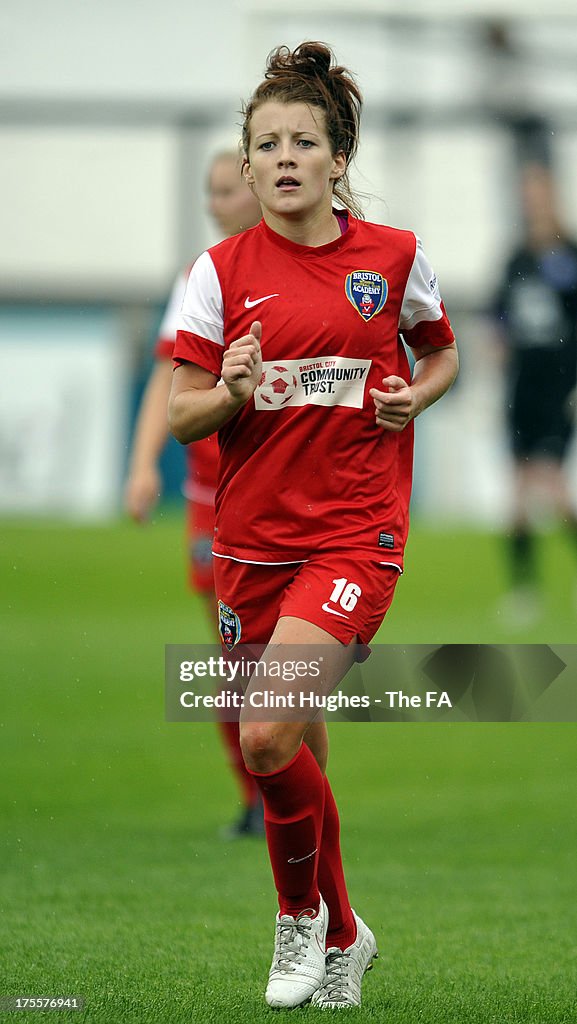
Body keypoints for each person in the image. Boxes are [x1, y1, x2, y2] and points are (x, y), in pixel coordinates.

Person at [169, 41, 458, 1009]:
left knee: (260, 738)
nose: (284, 156)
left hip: (353, 536)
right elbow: (179, 413)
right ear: (246, 167)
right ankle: (344, 931)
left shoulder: (393, 257)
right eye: (265, 143)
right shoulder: (217, 274)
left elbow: (441, 352)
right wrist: (231, 390)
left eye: (303, 141)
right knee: (293, 745)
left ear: (339, 160)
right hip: (251, 546)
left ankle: (297, 923)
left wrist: (415, 397)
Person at [125, 151, 264, 836]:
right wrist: (143, 463)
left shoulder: (298, 267)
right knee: (236, 654)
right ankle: (256, 797)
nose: (216, 203)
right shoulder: (199, 277)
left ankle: (286, 789)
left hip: (283, 491)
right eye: (209, 192)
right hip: (215, 497)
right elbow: (165, 376)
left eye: (225, 190)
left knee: (282, 658)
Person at [494, 162, 577, 625]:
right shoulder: (516, 259)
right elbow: (500, 317)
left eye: (539, 194)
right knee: (519, 494)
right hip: (521, 390)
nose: (533, 203)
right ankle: (524, 591)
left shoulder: (570, 255)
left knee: (554, 489)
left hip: (558, 390)